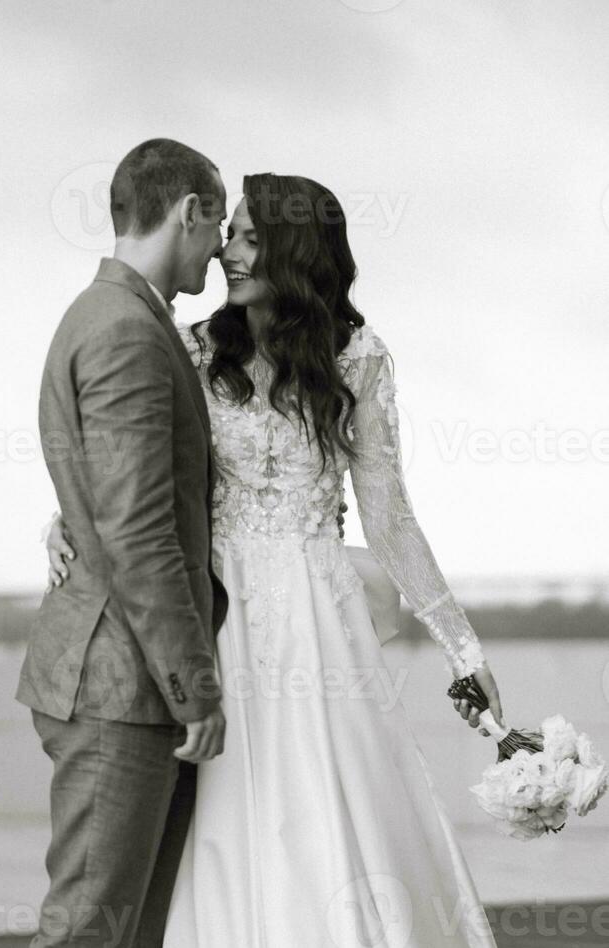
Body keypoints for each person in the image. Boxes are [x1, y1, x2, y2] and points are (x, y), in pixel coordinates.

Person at [46, 173, 503, 946]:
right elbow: (138, 466)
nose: (228, 249)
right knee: (214, 816)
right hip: (209, 610)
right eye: (229, 232)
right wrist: (66, 517)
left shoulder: (357, 359)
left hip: (315, 621)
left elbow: (390, 515)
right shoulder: (189, 349)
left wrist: (463, 647)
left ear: (293, 253)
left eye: (250, 236)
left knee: (328, 810)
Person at [16, 139, 230, 946]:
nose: (218, 248)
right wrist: (193, 690)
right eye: (217, 226)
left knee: (131, 932)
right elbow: (138, 532)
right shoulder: (126, 333)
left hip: (123, 684)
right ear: (190, 211)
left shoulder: (110, 315)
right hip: (121, 689)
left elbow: (108, 497)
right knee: (86, 933)